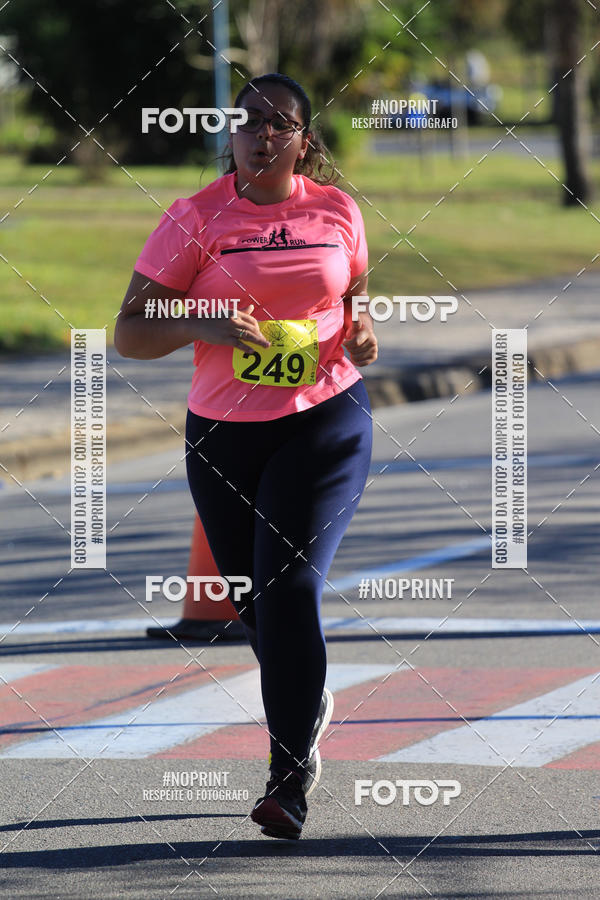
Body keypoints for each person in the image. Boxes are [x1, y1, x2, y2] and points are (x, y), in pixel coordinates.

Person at [114, 73, 378, 839]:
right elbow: (130, 331)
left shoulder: (337, 211)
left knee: (288, 588)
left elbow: (353, 294)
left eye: (279, 123)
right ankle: (307, 698)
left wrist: (362, 330)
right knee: (253, 603)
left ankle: (287, 782)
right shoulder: (195, 217)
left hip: (324, 419)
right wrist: (201, 323)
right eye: (249, 121)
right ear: (230, 135)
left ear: (303, 140)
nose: (263, 134)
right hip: (224, 433)